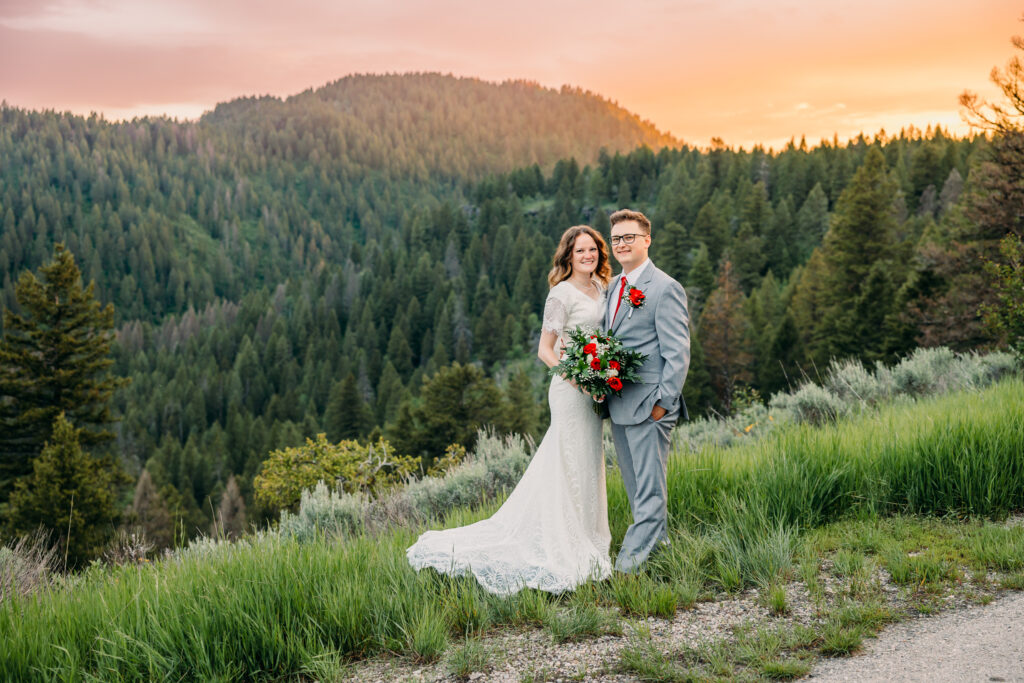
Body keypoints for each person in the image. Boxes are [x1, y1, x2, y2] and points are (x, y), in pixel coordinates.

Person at [406, 225, 613, 595]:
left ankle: (588, 535)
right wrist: (575, 376)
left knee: (587, 460)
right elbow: (545, 350)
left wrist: (601, 372)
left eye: (593, 250)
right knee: (568, 459)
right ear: (568, 256)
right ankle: (564, 542)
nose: (588, 256)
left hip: (595, 386)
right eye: (580, 251)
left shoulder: (601, 287)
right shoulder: (561, 294)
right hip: (569, 389)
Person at [604, 209, 690, 573]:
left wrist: (663, 405)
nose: (621, 244)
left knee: (650, 489)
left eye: (629, 237)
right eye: (617, 239)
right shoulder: (612, 288)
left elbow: (678, 354)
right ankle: (660, 552)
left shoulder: (664, 288)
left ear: (647, 240)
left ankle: (628, 568)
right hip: (619, 405)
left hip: (650, 406)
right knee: (636, 486)